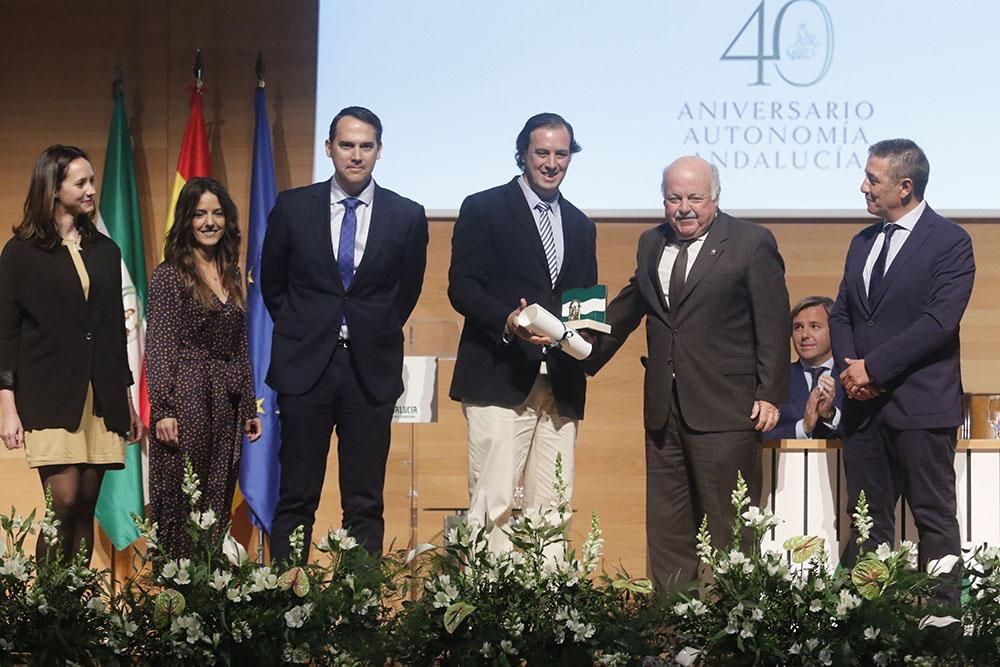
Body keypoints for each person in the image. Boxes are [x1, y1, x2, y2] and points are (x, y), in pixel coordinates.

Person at [585, 155, 789, 592]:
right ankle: (670, 634)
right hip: (664, 410)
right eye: (674, 198)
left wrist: (771, 392)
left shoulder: (751, 242)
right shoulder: (650, 243)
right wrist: (577, 346)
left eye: (695, 197)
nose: (684, 208)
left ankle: (733, 633)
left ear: (715, 197)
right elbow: (630, 303)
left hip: (727, 409)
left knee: (729, 530)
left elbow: (773, 321)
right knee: (668, 529)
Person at [261, 106, 428, 562]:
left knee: (365, 502)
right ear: (329, 148)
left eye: (366, 146)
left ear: (379, 151)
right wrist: (309, 327)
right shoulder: (294, 207)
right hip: (305, 368)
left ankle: (358, 611)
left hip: (369, 370)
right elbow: (274, 286)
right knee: (296, 495)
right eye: (347, 145)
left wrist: (369, 329)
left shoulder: (407, 215)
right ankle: (287, 603)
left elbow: (405, 291)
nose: (356, 155)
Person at [829, 139, 974, 605]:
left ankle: (942, 630)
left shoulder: (950, 241)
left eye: (873, 179)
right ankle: (872, 626)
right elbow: (843, 314)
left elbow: (938, 322)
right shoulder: (862, 242)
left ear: (905, 187)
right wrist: (853, 374)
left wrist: (874, 368)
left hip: (920, 407)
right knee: (868, 522)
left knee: (933, 517)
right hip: (863, 411)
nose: (863, 187)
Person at [448, 113, 597, 552]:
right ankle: (488, 607)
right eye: (542, 153)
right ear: (523, 155)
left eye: (561, 154)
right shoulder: (484, 207)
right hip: (499, 377)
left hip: (561, 384)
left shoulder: (581, 225)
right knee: (492, 502)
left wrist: (587, 343)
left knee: (553, 506)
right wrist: (507, 321)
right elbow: (463, 287)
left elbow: (584, 301)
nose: (552, 163)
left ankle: (545, 606)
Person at [0, 145, 143, 564]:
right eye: (80, 183)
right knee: (62, 501)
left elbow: (114, 330)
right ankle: (46, 608)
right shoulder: (21, 252)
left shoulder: (105, 250)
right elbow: (5, 334)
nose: (90, 191)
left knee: (84, 504)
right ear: (53, 188)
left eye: (93, 181)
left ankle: (74, 614)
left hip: (102, 392)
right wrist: (7, 405)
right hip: (49, 393)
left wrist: (128, 399)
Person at [146, 177, 262, 558]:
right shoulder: (169, 274)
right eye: (200, 214)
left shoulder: (230, 273)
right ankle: (177, 597)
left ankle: (208, 593)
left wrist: (247, 404)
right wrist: (162, 409)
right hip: (187, 397)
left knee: (217, 496)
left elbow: (240, 343)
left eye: (217, 213)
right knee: (184, 497)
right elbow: (160, 345)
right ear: (186, 220)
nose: (210, 221)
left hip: (225, 404)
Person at [765, 296, 843, 439]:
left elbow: (867, 434)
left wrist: (829, 416)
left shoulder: (851, 376)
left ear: (834, 330)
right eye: (798, 327)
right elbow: (759, 435)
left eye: (814, 326)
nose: (805, 335)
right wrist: (803, 428)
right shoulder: (775, 378)